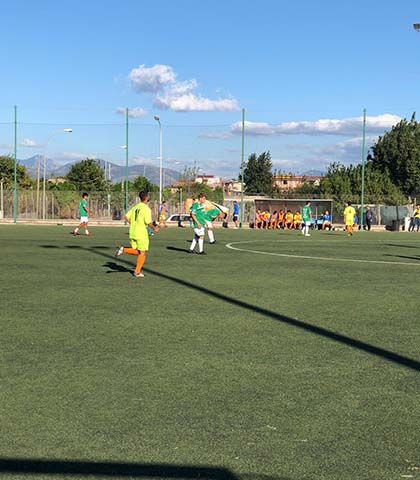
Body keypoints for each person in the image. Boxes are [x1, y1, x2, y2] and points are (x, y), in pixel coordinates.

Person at [115, 190, 158, 278]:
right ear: (147, 197)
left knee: (138, 251)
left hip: (132, 232)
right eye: (149, 195)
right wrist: (154, 228)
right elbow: (148, 222)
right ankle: (137, 272)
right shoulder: (146, 208)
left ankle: (123, 249)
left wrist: (133, 224)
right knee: (143, 253)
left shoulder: (136, 207)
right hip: (141, 233)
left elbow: (126, 216)